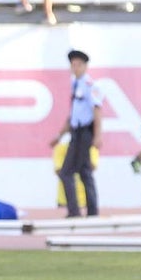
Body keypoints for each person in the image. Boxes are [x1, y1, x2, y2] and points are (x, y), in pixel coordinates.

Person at [51, 49, 102, 218]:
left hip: (84, 133)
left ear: (85, 66)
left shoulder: (90, 85)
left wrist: (98, 135)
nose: (75, 68)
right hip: (76, 132)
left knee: (66, 172)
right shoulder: (76, 84)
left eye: (79, 65)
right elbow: (73, 115)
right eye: (73, 65)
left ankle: (74, 211)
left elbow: (97, 110)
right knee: (84, 171)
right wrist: (59, 136)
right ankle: (92, 211)